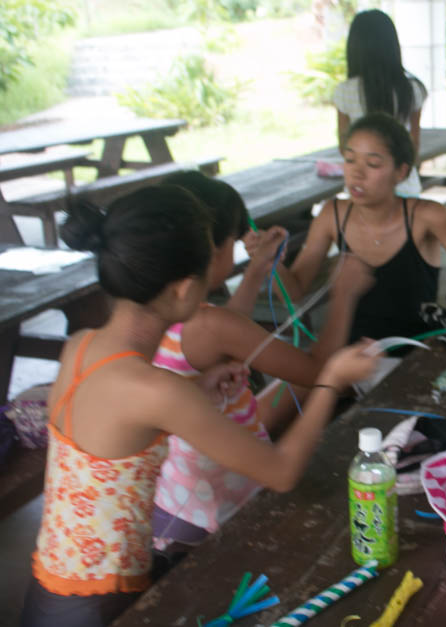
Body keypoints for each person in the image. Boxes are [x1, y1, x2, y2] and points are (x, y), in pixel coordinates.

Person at [19, 186, 377, 627]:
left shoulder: (81, 347)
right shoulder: (158, 391)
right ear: (185, 288)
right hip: (100, 604)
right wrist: (330, 382)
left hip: (49, 588)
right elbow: (281, 472)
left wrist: (198, 389)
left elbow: (109, 437)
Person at [149, 171, 373, 556]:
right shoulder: (211, 325)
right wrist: (344, 295)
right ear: (210, 248)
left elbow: (220, 334)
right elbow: (317, 370)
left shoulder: (157, 305)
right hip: (214, 518)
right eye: (233, 242)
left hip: (175, 503)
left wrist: (255, 272)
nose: (237, 249)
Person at [250, 112, 446, 344]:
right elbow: (296, 289)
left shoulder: (425, 215)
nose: (357, 173)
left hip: (415, 354)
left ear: (401, 172)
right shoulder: (332, 215)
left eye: (373, 163)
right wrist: (267, 262)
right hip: (353, 360)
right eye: (350, 159)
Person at [333, 8, 428, 197]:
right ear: (393, 45)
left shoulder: (345, 91)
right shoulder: (412, 89)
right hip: (404, 184)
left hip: (362, 189)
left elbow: (344, 145)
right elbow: (413, 145)